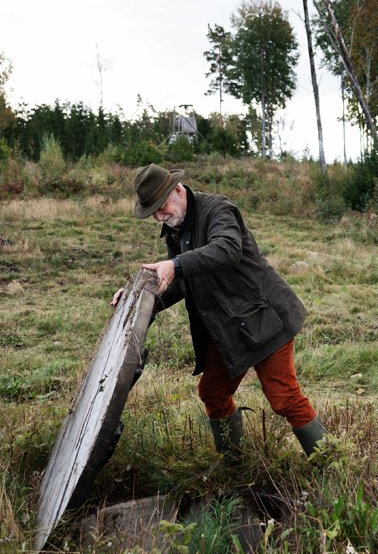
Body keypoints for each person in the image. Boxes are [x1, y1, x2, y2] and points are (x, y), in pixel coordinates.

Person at [113, 164, 326, 462]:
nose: (160, 217)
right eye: (154, 214)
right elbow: (179, 280)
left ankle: (330, 464)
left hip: (265, 319)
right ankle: (234, 464)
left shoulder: (218, 209)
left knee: (284, 398)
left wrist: (174, 265)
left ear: (177, 189)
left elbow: (226, 249)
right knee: (212, 392)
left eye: (162, 208)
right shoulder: (177, 230)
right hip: (228, 330)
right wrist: (139, 299)